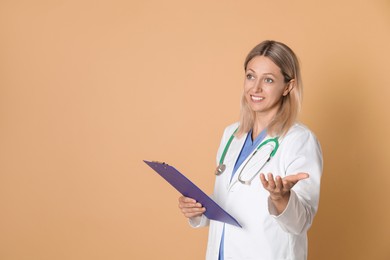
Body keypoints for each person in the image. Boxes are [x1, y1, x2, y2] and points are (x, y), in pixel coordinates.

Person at [178, 40, 323, 260]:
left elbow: (300, 223)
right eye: (250, 76)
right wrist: (199, 209)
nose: (255, 88)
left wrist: (281, 198)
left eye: (268, 80)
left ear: (288, 86)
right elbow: (231, 200)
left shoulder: (299, 140)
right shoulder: (231, 135)